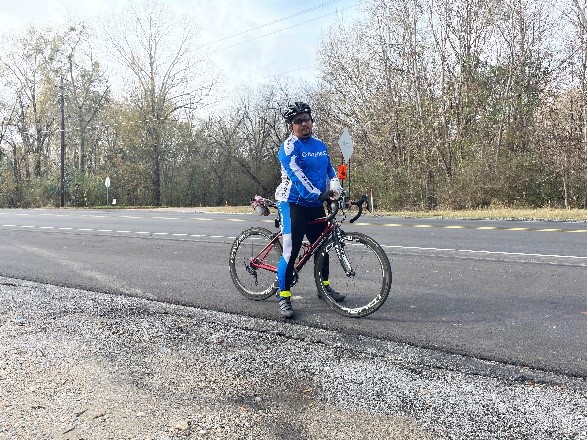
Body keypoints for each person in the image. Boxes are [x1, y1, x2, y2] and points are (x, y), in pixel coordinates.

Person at [274, 101, 346, 318]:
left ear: (312, 121)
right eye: (298, 121)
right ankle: (284, 295)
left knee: (322, 247)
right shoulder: (289, 147)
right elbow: (298, 178)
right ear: (291, 126)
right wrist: (319, 194)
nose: (304, 123)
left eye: (306, 119)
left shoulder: (320, 145)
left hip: (314, 202)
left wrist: (336, 186)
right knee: (291, 249)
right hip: (292, 202)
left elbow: (329, 169)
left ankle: (324, 288)